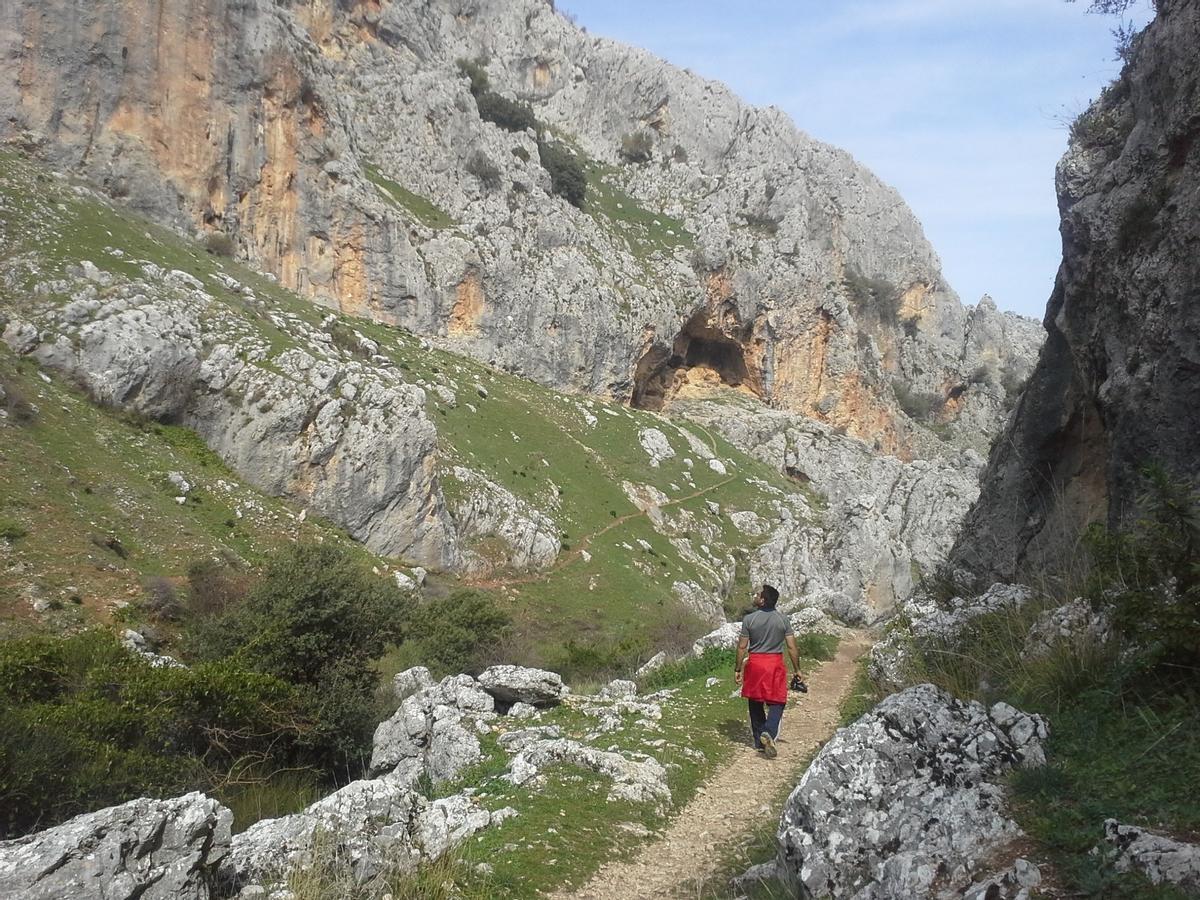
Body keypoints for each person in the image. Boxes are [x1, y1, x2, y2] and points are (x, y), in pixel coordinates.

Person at [733, 584, 803, 759]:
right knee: (777, 701)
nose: (755, 596)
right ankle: (769, 731)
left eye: (758, 594)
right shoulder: (783, 620)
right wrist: (797, 670)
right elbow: (792, 647)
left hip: (755, 663)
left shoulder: (749, 620)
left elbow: (742, 647)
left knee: (755, 701)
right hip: (774, 664)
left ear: (763, 600)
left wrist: (738, 668)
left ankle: (759, 741)